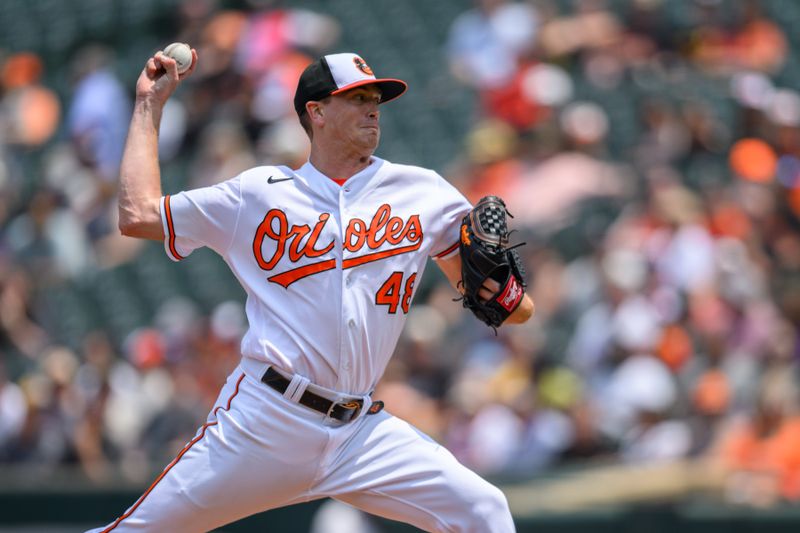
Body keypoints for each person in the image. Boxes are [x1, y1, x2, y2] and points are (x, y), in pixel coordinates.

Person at [89, 48, 534, 533]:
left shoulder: (422, 192)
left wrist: (503, 291)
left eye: (375, 99)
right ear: (316, 112)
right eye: (356, 97)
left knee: (484, 510)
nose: (372, 108)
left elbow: (515, 311)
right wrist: (148, 106)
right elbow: (139, 216)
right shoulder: (258, 194)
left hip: (358, 431)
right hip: (266, 420)